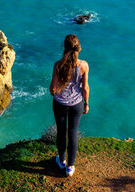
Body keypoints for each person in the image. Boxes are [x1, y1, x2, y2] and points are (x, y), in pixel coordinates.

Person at [49, 34, 90, 177]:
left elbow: (52, 89)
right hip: (77, 104)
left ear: (64, 47)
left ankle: (62, 161)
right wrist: (86, 104)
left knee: (61, 132)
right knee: (73, 133)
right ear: (77, 47)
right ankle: (70, 167)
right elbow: (85, 88)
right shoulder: (83, 65)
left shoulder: (57, 65)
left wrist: (55, 93)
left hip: (60, 103)